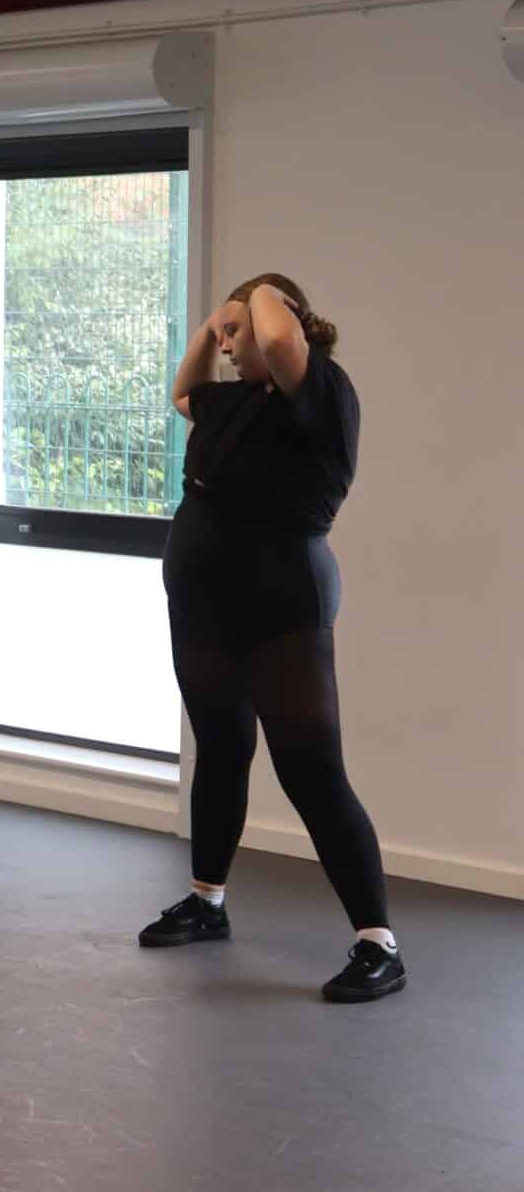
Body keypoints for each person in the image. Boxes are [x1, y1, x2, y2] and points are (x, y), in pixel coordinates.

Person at [141, 272, 401, 1002]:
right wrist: (213, 324)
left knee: (311, 770)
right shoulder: (233, 401)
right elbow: (183, 393)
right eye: (223, 336)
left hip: (282, 606)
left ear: (280, 320)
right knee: (221, 748)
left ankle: (378, 943)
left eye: (237, 333)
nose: (228, 346)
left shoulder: (322, 394)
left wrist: (262, 296)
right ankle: (207, 900)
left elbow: (282, 337)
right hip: (203, 604)